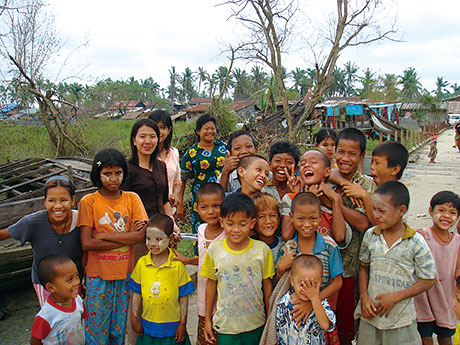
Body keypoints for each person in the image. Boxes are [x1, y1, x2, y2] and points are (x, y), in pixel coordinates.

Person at [78, 148, 149, 345]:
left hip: (124, 274)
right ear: (97, 175)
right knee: (96, 330)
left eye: (118, 172)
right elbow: (87, 242)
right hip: (97, 276)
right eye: (107, 174)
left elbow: (142, 236)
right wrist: (128, 236)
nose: (113, 178)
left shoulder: (132, 198)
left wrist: (102, 235)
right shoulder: (89, 202)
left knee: (118, 330)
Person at [356, 181, 436, 345]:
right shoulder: (371, 235)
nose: (376, 215)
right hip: (370, 317)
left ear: (401, 211)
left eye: (382, 211)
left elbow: (427, 280)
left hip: (400, 320)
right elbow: (364, 267)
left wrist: (395, 297)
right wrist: (364, 296)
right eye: (374, 209)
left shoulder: (415, 242)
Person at [201, 193, 275, 344]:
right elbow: (211, 284)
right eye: (230, 223)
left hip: (256, 324)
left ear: (252, 223)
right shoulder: (215, 250)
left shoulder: (262, 250)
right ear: (221, 222)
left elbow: (267, 285)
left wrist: (269, 318)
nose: (236, 229)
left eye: (242, 224)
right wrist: (208, 320)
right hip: (226, 326)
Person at [0, 175, 82, 307]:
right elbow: (4, 234)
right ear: (44, 202)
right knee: (52, 319)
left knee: (75, 316)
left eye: (64, 200)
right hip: (46, 283)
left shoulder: (81, 220)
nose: (58, 206)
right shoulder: (32, 222)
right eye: (51, 201)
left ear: (72, 200)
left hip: (74, 281)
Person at [328, 128, 376, 345]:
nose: (345, 158)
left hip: (351, 266)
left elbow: (364, 223)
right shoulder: (326, 176)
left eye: (352, 154)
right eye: (341, 152)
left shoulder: (366, 186)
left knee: (347, 324)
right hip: (325, 265)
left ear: (362, 156)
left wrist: (333, 202)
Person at [276, 192, 343, 345]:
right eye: (300, 219)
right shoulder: (288, 249)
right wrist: (280, 269)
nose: (307, 224)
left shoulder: (329, 246)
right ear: (291, 217)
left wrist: (313, 300)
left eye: (313, 218)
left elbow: (338, 282)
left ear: (320, 217)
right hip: (294, 313)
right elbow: (282, 284)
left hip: (320, 311)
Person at [128, 214, 195, 345]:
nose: (152, 244)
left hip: (172, 328)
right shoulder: (142, 263)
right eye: (148, 239)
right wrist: (134, 317)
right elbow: (136, 293)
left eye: (158, 239)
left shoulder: (177, 265)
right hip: (148, 326)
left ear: (170, 239)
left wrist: (183, 323)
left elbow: (184, 298)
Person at [172, 182, 226, 345]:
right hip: (204, 297)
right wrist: (188, 260)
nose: (210, 212)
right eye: (204, 207)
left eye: (216, 206)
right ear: (196, 208)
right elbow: (204, 261)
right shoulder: (201, 229)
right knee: (205, 337)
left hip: (224, 300)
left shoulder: (229, 232)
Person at [414, 191, 460, 345]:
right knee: (425, 338)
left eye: (452, 213)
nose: (446, 216)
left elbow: (457, 271)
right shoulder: (421, 236)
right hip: (423, 297)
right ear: (430, 211)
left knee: (446, 337)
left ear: (458, 217)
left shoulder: (458, 242)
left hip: (446, 296)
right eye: (441, 210)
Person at [281, 150, 349, 246]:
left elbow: (339, 237)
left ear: (327, 171)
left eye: (313, 162)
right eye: (303, 163)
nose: (307, 165)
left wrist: (335, 201)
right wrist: (306, 199)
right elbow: (287, 236)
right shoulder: (291, 198)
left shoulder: (334, 197)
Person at [338, 140, 409, 225]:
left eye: (377, 163)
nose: (372, 167)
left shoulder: (398, 196)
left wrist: (365, 196)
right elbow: (333, 173)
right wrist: (343, 182)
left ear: (395, 169)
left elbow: (379, 224)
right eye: (372, 162)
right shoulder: (370, 183)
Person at [178, 114, 227, 234]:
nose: (210, 131)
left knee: (224, 228)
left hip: (223, 196)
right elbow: (182, 179)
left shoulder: (224, 148)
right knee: (201, 230)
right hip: (201, 199)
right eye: (206, 129)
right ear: (198, 131)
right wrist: (180, 204)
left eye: (213, 128)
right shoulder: (192, 152)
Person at [276, 254, 336, 345]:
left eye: (312, 285)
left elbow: (326, 325)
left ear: (321, 282)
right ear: (292, 280)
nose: (307, 290)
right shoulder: (283, 302)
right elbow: (278, 331)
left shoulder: (321, 303)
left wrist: (315, 299)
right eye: (301, 284)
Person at [30, 255, 88, 345]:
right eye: (70, 279)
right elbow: (34, 342)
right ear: (51, 287)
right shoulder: (45, 316)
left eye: (76, 276)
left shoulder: (78, 300)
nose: (77, 282)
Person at [148, 110, 182, 214]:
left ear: (169, 130)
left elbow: (177, 181)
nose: (158, 131)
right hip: (149, 210)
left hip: (170, 210)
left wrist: (175, 195)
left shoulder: (174, 153)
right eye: (155, 127)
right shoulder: (144, 154)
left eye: (162, 127)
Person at [261, 141, 300, 206]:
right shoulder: (261, 189)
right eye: (277, 161)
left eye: (289, 162)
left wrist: (295, 194)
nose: (282, 165)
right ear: (269, 165)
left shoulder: (300, 191)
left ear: (296, 168)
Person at [253, 192, 284, 266]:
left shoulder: (285, 245)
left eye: (272, 215)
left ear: (279, 218)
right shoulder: (250, 248)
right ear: (253, 221)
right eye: (261, 217)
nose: (268, 221)